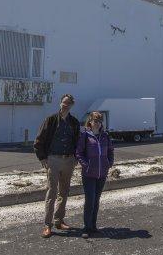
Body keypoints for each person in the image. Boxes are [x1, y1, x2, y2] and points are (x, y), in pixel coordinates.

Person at [33, 94, 80, 238]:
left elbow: (77, 141)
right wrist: (42, 157)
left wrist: (76, 157)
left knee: (64, 192)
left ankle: (59, 220)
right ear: (60, 103)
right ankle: (48, 225)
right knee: (51, 192)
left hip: (69, 160)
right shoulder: (51, 120)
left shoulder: (74, 122)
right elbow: (39, 139)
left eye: (68, 103)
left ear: (72, 105)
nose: (65, 105)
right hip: (53, 159)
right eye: (64, 102)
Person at [76, 111, 114, 238]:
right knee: (90, 200)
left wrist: (109, 163)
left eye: (99, 121)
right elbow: (79, 153)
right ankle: (86, 227)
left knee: (96, 200)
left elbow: (110, 150)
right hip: (89, 174)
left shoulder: (105, 136)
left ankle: (93, 226)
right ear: (90, 122)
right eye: (94, 121)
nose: (97, 123)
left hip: (102, 173)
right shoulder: (85, 135)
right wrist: (86, 164)